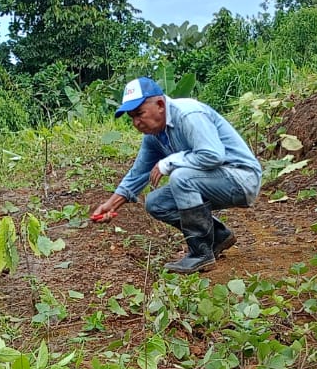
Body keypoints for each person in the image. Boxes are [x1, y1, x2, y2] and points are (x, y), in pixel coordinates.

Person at [90, 77, 263, 274]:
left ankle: (200, 254)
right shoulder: (154, 136)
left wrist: (168, 163)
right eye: (132, 117)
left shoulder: (188, 114)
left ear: (160, 105)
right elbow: (138, 174)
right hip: (216, 181)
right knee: (155, 202)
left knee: (181, 177)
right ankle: (217, 236)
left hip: (241, 178)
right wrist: (111, 205)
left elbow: (213, 155)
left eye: (139, 113)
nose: (136, 122)